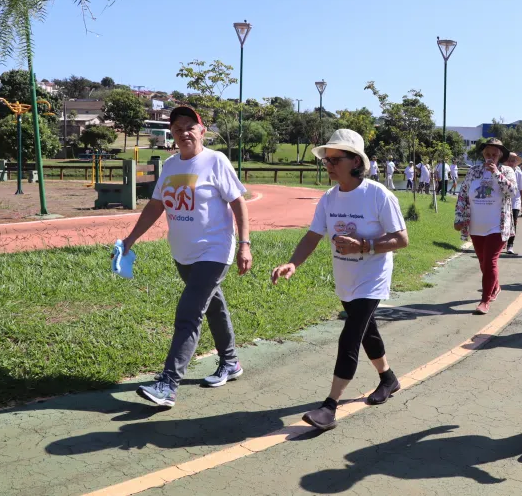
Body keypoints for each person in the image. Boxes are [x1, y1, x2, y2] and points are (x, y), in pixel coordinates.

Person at [272, 129, 408, 431]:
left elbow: (401, 239)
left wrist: (364, 246)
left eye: (336, 159)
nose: (329, 165)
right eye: (326, 159)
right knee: (367, 331)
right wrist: (293, 263)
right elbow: (312, 236)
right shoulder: (329, 198)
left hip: (372, 278)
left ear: (355, 161)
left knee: (350, 334)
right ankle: (388, 378)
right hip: (345, 277)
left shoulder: (378, 195)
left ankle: (329, 407)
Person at [120, 107, 252, 408]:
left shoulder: (215, 161)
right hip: (183, 253)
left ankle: (168, 384)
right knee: (213, 306)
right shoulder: (170, 165)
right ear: (172, 134)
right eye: (178, 128)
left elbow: (238, 203)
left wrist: (245, 244)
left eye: (190, 126)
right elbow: (156, 206)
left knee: (189, 313)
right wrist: (130, 239)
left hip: (214, 250)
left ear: (202, 131)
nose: (184, 132)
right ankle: (231, 362)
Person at [453, 138, 518, 314]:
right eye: (487, 154)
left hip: (497, 226)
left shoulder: (507, 171)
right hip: (476, 225)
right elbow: (463, 195)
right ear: (483, 154)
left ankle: (485, 300)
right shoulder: (473, 171)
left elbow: (512, 192)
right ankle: (495, 286)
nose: (490, 157)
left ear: (500, 155)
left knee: (490, 261)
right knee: (483, 262)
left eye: (494, 155)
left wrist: (496, 173)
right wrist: (458, 217)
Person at [505, 153, 522, 255]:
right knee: (502, 222)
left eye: (513, 161)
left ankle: (510, 245)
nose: (510, 162)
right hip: (503, 201)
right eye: (509, 160)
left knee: (513, 223)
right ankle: (502, 242)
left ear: (516, 163)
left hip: (515, 202)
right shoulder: (501, 171)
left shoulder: (519, 173)